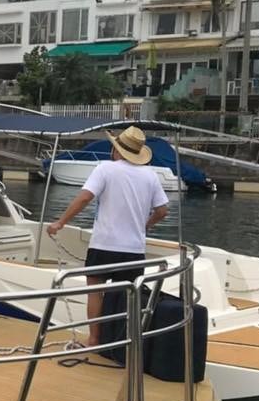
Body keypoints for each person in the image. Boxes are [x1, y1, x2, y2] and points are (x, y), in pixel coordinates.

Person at [46, 126, 169, 346]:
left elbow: (85, 198)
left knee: (96, 292)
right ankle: (122, 342)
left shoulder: (105, 169)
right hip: (133, 249)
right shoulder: (150, 176)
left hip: (103, 245)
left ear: (116, 150)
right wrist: (144, 226)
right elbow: (162, 211)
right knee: (127, 296)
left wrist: (60, 222)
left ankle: (94, 339)